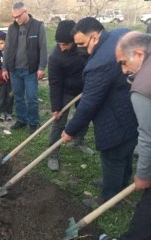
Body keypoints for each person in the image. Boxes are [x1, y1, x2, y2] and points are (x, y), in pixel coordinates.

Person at [61, 17, 138, 208]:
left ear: (94, 37)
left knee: (113, 156)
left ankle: (110, 198)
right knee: (125, 153)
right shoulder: (120, 33)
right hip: (133, 109)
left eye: (81, 44)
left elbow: (88, 104)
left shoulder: (99, 64)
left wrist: (70, 130)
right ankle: (119, 184)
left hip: (116, 117)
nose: (79, 49)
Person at [110, 31, 151, 240]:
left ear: (138, 54)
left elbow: (147, 137)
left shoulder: (143, 87)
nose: (124, 70)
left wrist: (143, 174)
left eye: (124, 63)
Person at [47, 20, 94, 171]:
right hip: (66, 91)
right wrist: (56, 107)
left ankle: (78, 142)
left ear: (74, 40)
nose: (62, 48)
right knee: (59, 122)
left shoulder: (85, 49)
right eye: (59, 44)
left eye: (65, 44)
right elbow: (54, 83)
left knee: (84, 116)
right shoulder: (55, 57)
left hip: (86, 89)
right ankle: (53, 154)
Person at [2, 2, 47, 134]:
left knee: (32, 97)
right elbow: (8, 49)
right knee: (18, 96)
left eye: (18, 16)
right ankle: (21, 119)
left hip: (30, 70)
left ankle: (33, 122)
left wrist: (42, 67)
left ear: (26, 12)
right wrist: (5, 68)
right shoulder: (12, 28)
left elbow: (43, 48)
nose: (16, 19)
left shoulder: (38, 26)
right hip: (14, 70)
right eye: (14, 17)